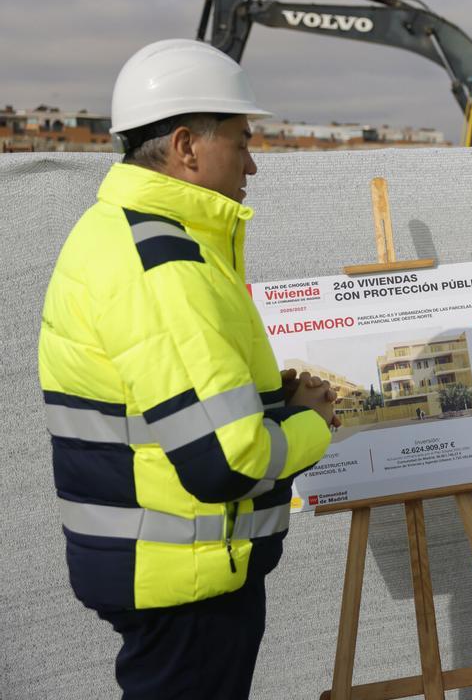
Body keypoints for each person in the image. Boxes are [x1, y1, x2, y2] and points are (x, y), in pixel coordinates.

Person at [38, 39, 337, 699]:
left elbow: (177, 401)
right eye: (241, 139)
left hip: (171, 574)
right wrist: (315, 423)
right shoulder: (164, 264)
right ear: (187, 147)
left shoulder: (122, 234)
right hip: (188, 585)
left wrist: (271, 402)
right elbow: (224, 462)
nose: (253, 163)